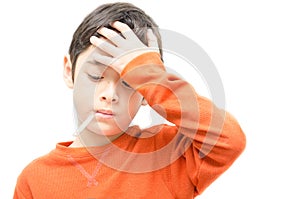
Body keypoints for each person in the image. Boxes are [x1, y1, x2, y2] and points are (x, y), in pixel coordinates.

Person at [13, 2, 246, 198]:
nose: (110, 94)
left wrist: (147, 73)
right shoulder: (35, 179)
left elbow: (229, 139)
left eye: (130, 81)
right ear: (68, 70)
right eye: (96, 75)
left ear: (147, 91)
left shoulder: (169, 156)